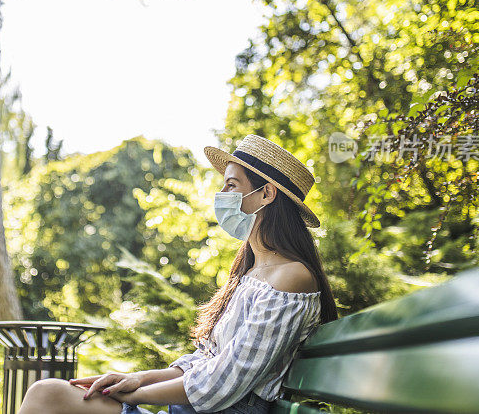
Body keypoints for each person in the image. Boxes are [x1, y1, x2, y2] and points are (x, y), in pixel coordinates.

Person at [18, 134, 338, 414]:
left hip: (219, 410)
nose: (222, 195)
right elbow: (205, 360)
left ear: (267, 194)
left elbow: (224, 381)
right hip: (194, 409)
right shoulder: (253, 272)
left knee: (48, 395)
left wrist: (135, 395)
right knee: (47, 394)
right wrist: (137, 378)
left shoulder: (290, 278)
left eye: (231, 185)